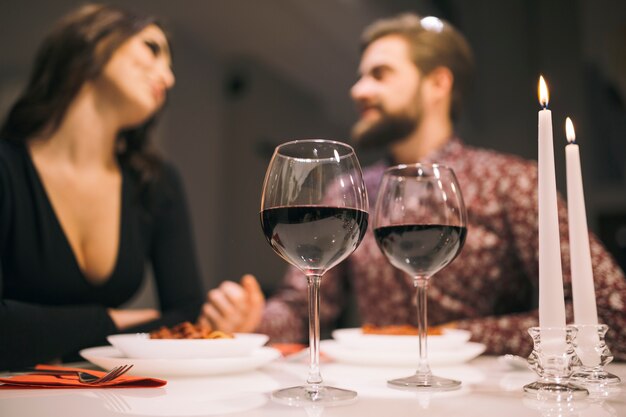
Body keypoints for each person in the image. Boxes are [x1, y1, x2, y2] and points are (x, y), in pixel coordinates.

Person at [200, 13, 626, 359]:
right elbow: (300, 306)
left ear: (438, 83)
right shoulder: (351, 192)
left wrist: (453, 337)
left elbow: (611, 311)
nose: (358, 89)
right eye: (360, 75)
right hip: (371, 395)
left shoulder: (512, 182)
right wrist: (252, 321)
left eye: (379, 74)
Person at [0, 4, 208, 369]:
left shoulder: (157, 184)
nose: (169, 78)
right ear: (95, 41)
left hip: (104, 397)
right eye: (152, 48)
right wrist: (111, 321)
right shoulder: (6, 167)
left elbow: (184, 317)